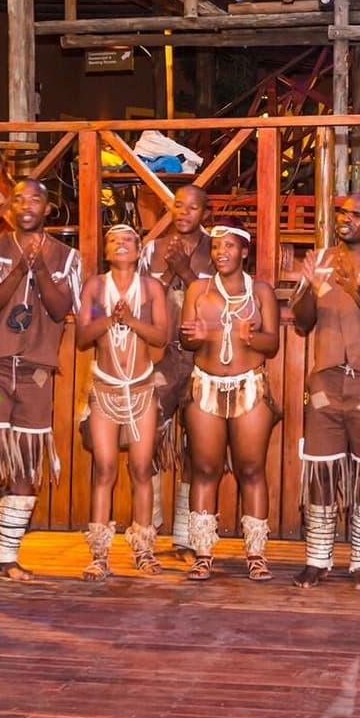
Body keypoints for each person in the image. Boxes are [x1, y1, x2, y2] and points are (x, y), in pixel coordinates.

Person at [289, 193, 360, 590]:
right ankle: (317, 558)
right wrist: (309, 287)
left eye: (357, 215)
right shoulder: (321, 258)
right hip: (326, 379)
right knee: (321, 468)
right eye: (342, 213)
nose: (346, 219)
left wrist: (356, 289)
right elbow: (302, 323)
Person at [0, 179, 79, 582]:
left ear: (49, 208)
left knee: (27, 466)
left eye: (35, 199)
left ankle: (8, 558)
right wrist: (19, 269)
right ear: (10, 208)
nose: (26, 204)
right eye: (18, 199)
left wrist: (40, 268)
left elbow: (60, 308)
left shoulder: (67, 257)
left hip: (36, 374)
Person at [177, 224, 281, 581]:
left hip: (249, 386)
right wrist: (197, 337)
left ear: (244, 252)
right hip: (205, 386)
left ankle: (255, 552)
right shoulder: (197, 289)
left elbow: (273, 345)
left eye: (229, 246)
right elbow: (185, 340)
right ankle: (203, 552)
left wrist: (253, 337)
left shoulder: (261, 291)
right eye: (216, 246)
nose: (221, 251)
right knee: (205, 470)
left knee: (251, 470)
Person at [75, 224, 172, 579]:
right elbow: (83, 337)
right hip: (105, 389)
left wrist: (130, 319)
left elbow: (161, 337)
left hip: (142, 389)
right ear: (105, 250)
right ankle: (99, 554)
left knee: (142, 468)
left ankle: (144, 549)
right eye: (113, 240)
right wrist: (109, 319)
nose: (120, 244)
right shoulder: (94, 287)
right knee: (104, 469)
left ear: (139, 249)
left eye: (128, 240)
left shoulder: (151, 288)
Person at [142, 185, 214, 554]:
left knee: (197, 448)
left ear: (205, 213)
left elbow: (219, 301)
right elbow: (140, 301)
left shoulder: (216, 248)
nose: (184, 212)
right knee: (146, 438)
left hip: (204, 359)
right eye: (177, 205)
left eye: (193, 207)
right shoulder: (151, 248)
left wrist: (184, 271)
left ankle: (186, 535)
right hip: (160, 359)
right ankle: (148, 527)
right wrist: (167, 274)